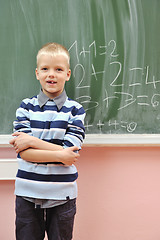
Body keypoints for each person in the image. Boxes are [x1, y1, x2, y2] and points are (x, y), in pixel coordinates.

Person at [9, 42, 85, 240]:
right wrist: (60, 154)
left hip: (63, 197)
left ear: (68, 74)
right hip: (27, 194)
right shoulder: (25, 107)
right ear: (37, 73)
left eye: (58, 69)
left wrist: (33, 142)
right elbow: (24, 152)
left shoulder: (76, 110)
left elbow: (70, 152)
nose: (51, 74)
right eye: (45, 69)